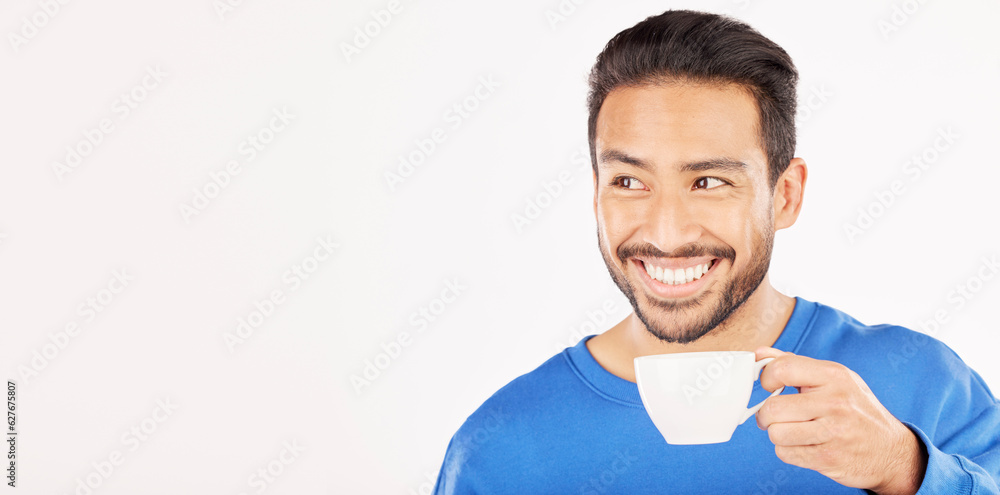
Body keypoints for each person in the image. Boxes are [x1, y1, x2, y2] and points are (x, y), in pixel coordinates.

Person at [433, 9, 1000, 494]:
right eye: (629, 182)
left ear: (785, 195)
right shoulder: (501, 447)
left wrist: (907, 469)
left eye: (708, 181)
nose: (668, 232)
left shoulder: (924, 387)